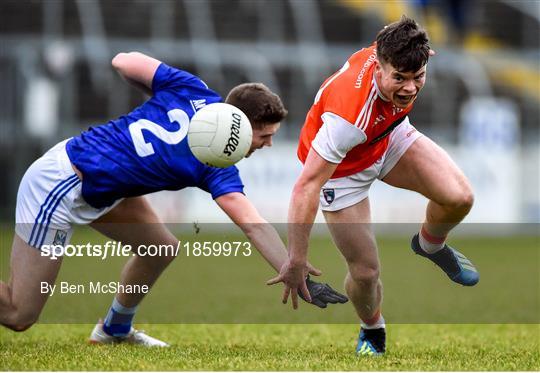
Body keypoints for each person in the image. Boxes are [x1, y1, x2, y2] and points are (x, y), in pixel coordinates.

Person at [0, 51, 348, 346]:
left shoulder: (191, 89)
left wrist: (154, 94)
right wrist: (295, 271)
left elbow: (123, 61)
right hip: (63, 184)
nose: (267, 144)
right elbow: (254, 227)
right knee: (19, 314)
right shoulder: (215, 162)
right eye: (263, 135)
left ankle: (114, 329)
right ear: (238, 125)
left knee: (160, 248)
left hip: (102, 190)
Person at [268, 16, 479, 356]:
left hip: (385, 137)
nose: (410, 87)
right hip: (342, 171)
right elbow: (305, 187)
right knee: (366, 273)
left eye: (418, 76)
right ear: (379, 67)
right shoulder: (346, 119)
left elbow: (398, 36)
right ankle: (373, 329)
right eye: (400, 78)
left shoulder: (398, 51)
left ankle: (430, 245)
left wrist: (417, 49)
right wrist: (296, 260)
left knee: (460, 198)